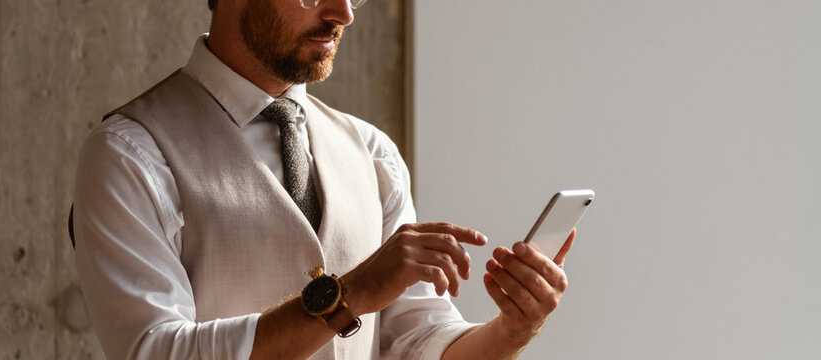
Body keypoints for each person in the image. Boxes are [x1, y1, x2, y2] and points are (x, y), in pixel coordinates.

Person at [72, 0, 576, 359]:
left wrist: (514, 329)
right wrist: (349, 294)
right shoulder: (129, 154)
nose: (344, 12)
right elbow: (157, 352)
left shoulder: (372, 153)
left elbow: (421, 345)